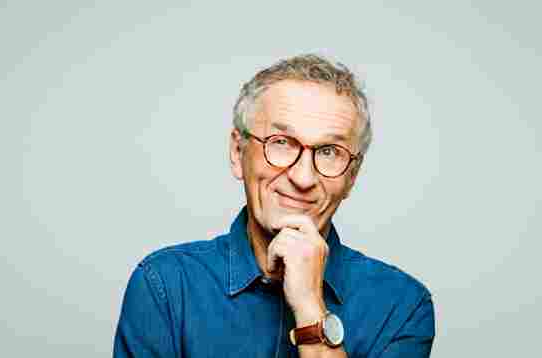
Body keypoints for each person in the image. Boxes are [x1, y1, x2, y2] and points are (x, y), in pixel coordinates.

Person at [113, 54, 435, 357]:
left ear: (351, 177)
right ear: (238, 153)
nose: (303, 177)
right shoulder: (165, 286)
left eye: (329, 152)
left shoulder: (402, 306)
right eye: (281, 143)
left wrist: (311, 308)